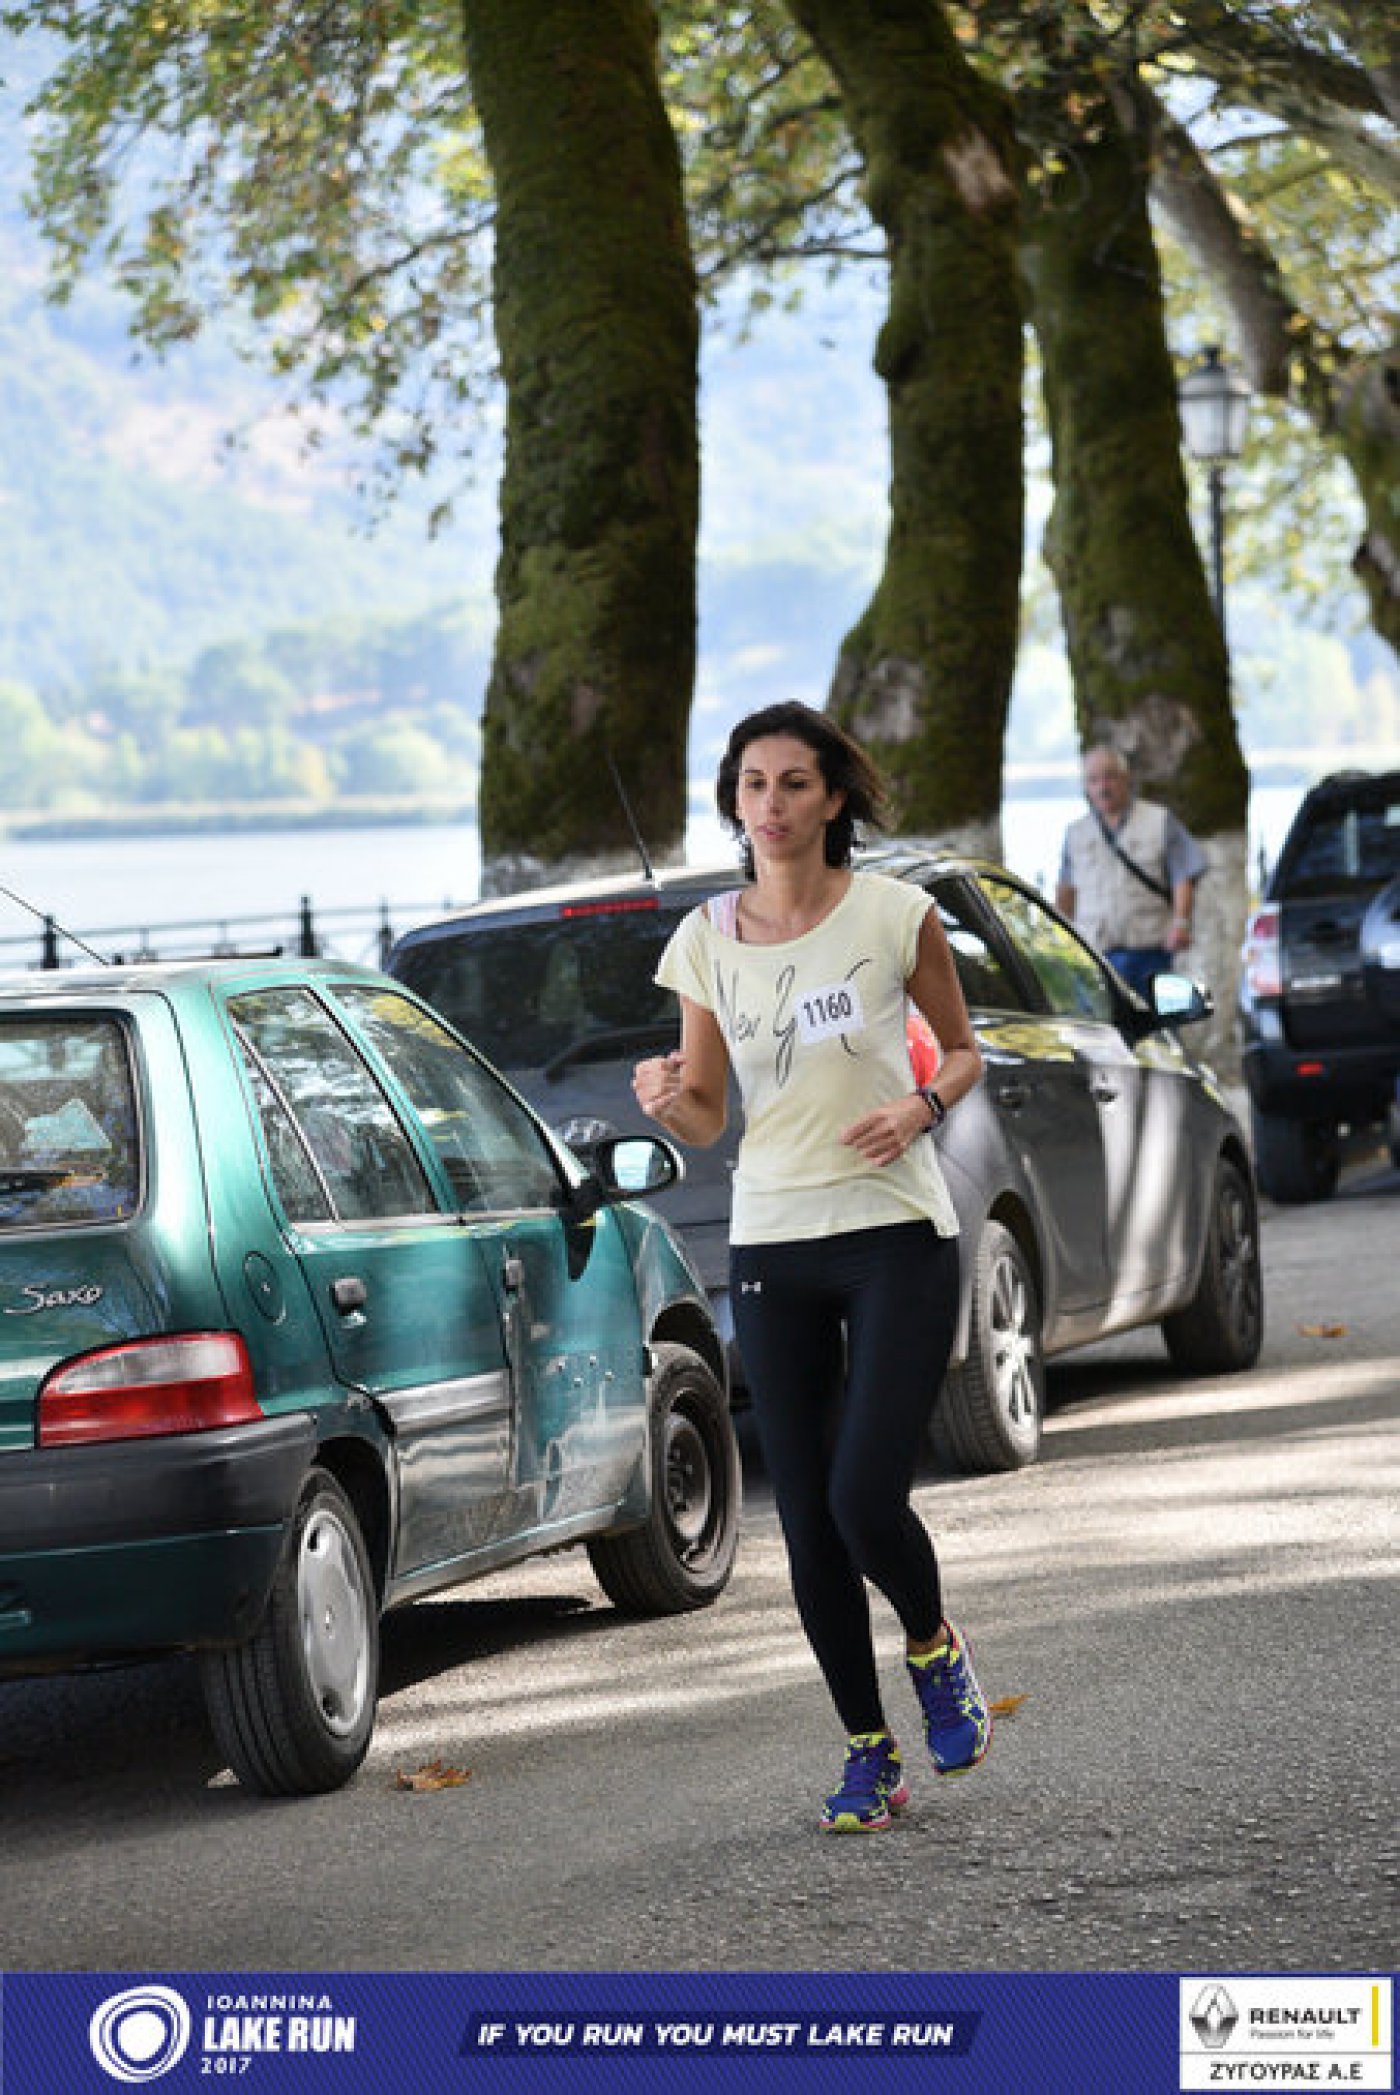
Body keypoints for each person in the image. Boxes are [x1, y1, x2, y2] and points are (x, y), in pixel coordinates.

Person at [632, 701, 991, 1835]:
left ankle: (931, 1644)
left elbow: (965, 1052)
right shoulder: (704, 938)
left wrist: (919, 1106)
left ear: (834, 796)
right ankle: (867, 1750)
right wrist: (666, 1099)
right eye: (753, 784)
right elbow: (705, 1113)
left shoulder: (895, 914)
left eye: (794, 782)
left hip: (894, 1231)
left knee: (862, 1497)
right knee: (808, 1519)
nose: (772, 803)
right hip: (773, 1239)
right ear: (733, 803)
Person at [1055, 745, 1207, 997]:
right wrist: (1059, 940)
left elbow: (1183, 874)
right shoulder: (1075, 833)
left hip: (1149, 952)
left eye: (1109, 777)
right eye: (1094, 780)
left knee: (1151, 1019)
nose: (1103, 787)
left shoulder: (1159, 821)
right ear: (1086, 786)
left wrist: (1181, 923)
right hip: (1094, 955)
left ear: (1126, 778)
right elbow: (1066, 889)